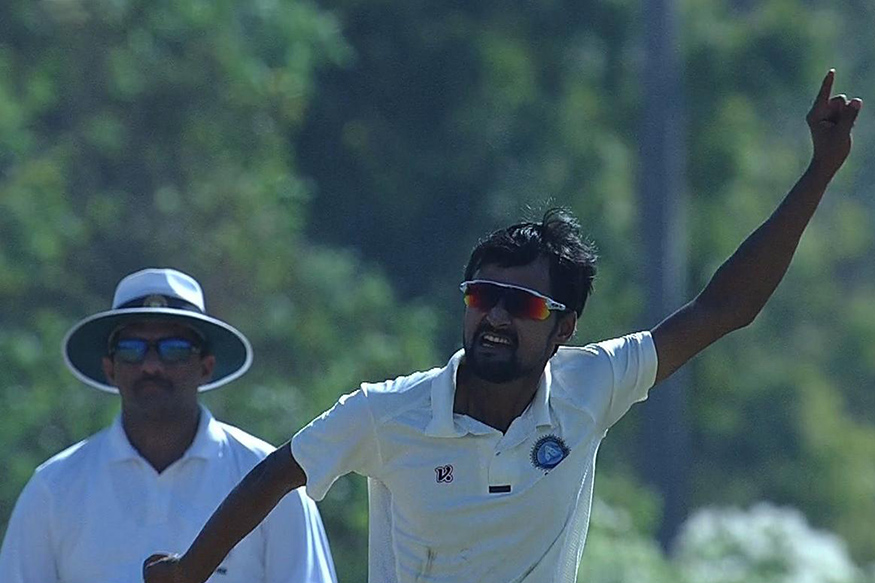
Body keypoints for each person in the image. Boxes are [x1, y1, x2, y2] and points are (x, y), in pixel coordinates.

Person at [144, 70, 862, 583]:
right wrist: (189, 571)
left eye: (522, 306)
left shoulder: (592, 384)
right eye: (482, 295)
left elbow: (723, 308)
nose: (494, 316)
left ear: (563, 328)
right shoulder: (387, 413)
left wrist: (819, 172)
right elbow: (278, 472)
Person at [0, 268, 338, 583]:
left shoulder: (271, 480)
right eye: (131, 349)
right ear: (110, 368)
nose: (151, 366)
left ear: (206, 367)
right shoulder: (54, 487)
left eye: (174, 349)